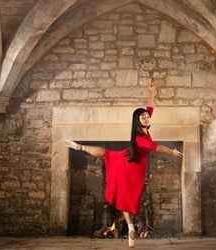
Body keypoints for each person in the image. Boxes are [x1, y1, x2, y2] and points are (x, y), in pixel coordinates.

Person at [65, 80, 183, 248]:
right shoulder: (140, 138)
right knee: (126, 198)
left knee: (111, 164)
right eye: (143, 117)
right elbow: (155, 146)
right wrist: (171, 151)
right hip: (130, 168)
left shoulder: (143, 130)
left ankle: (130, 228)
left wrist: (151, 92)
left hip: (126, 161)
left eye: (147, 117)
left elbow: (149, 109)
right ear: (138, 120)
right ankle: (131, 229)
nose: (147, 118)